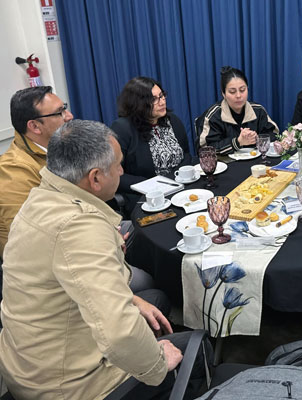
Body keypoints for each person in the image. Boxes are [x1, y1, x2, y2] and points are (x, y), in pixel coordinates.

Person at [0, 120, 210, 399]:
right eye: (118, 165)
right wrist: (158, 363)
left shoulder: (40, 199)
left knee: (155, 301)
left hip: (29, 362)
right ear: (96, 178)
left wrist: (133, 300)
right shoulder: (79, 227)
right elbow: (120, 331)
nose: (122, 171)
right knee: (197, 348)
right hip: (68, 385)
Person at [0, 86, 73, 254]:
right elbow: (30, 237)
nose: (69, 116)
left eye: (65, 108)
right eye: (60, 112)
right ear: (34, 126)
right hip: (46, 256)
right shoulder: (13, 171)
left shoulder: (59, 146)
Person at [111, 76, 196, 216]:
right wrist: (152, 185)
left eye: (162, 96)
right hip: (146, 199)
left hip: (180, 190)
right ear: (138, 103)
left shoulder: (172, 120)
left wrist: (175, 178)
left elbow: (186, 155)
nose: (162, 102)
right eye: (154, 99)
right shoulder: (122, 129)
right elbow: (114, 174)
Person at [198, 66, 279, 154]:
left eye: (242, 90)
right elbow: (206, 150)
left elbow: (275, 136)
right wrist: (237, 142)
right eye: (232, 92)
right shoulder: (214, 116)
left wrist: (258, 139)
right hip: (225, 162)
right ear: (223, 94)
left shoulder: (258, 110)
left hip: (255, 161)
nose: (238, 96)